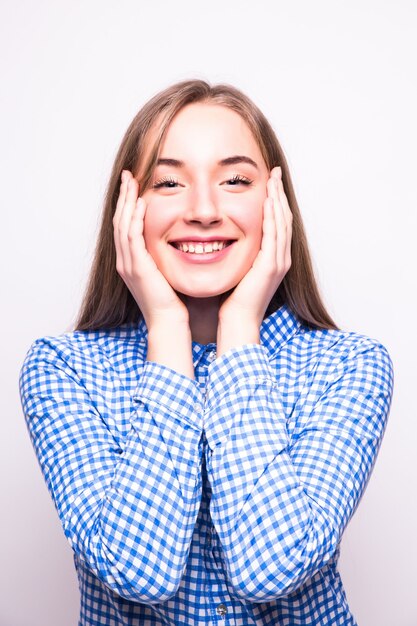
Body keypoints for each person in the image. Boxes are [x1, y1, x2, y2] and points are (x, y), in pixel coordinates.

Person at [20, 79, 393, 626]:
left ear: (275, 206)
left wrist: (238, 329)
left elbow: (272, 567)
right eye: (169, 182)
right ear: (129, 209)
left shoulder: (349, 367)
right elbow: (137, 571)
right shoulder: (62, 369)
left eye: (235, 179)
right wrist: (167, 328)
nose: (202, 209)